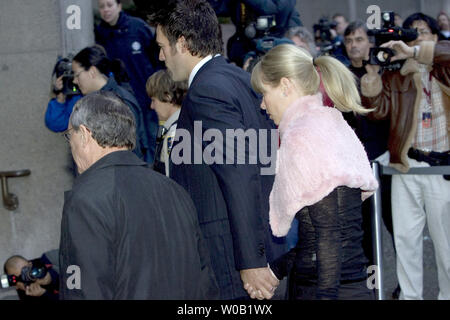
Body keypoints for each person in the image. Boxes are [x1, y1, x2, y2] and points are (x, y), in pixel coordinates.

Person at [150, 0, 286, 300]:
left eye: (162, 46)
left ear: (182, 43)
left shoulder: (207, 91)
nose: (160, 56)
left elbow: (238, 173)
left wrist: (250, 261)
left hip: (232, 258)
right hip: (258, 242)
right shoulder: (236, 78)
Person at [248, 44, 379, 300]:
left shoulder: (302, 135)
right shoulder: (332, 123)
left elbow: (329, 238)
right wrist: (276, 270)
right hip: (351, 284)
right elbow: (324, 236)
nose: (263, 105)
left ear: (285, 86)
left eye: (264, 93)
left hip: (326, 289)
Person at [58, 91, 218, 299]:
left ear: (85, 134)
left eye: (70, 135)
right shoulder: (174, 189)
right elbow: (205, 277)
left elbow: (82, 288)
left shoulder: (86, 199)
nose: (70, 144)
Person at [360, 12, 450, 300]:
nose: (416, 37)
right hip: (406, 167)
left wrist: (414, 50)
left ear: (436, 37)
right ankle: (410, 297)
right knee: (406, 243)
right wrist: (373, 76)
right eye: (411, 33)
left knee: (446, 247)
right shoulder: (399, 74)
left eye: (423, 32)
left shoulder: (445, 67)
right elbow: (377, 112)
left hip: (441, 170)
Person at [95, 0, 162, 163]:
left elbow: (158, 59)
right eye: (102, 6)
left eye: (109, 5)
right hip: (123, 103)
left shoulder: (137, 27)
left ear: (119, 6)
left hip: (148, 99)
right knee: (134, 143)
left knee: (154, 139)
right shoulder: (100, 34)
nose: (106, 10)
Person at [71, 45, 147, 161]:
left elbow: (132, 148)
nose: (74, 81)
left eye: (77, 75)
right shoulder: (91, 101)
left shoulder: (120, 101)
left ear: (92, 71)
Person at [146, 70, 187, 176]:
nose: (152, 106)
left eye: (154, 100)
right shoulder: (185, 124)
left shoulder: (174, 134)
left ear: (168, 97)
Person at [45, 58, 82, 132]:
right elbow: (55, 124)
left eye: (75, 73)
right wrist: (60, 98)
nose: (73, 80)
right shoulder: (70, 99)